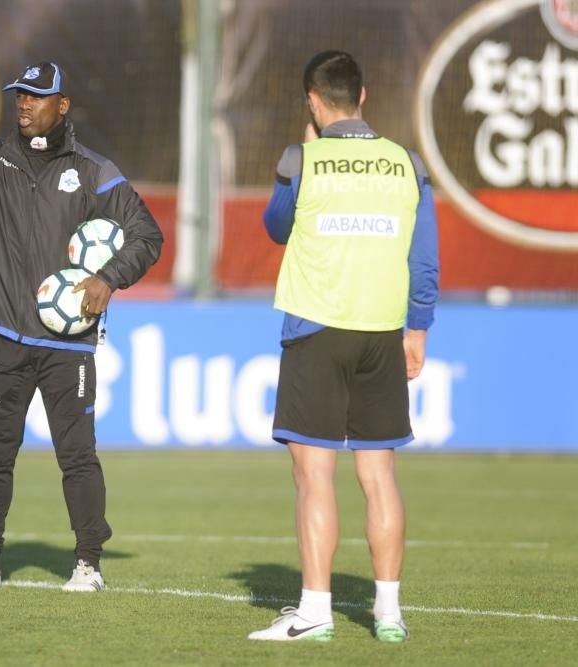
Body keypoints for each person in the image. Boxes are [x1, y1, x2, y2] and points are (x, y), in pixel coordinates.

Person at [0, 62, 162, 591]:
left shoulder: (95, 172)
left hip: (66, 342)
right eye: (19, 95)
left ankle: (88, 565)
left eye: (37, 96)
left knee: (76, 455)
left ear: (62, 105)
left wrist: (108, 278)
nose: (24, 104)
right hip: (1, 332)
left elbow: (147, 235)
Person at [248, 50, 438, 642]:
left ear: (312, 100)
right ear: (364, 95)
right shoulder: (406, 163)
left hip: (317, 328)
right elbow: (424, 258)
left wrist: (299, 161)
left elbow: (276, 228)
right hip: (382, 331)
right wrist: (418, 329)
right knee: (379, 475)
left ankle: (315, 612)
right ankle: (388, 616)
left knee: (315, 476)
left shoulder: (301, 159)